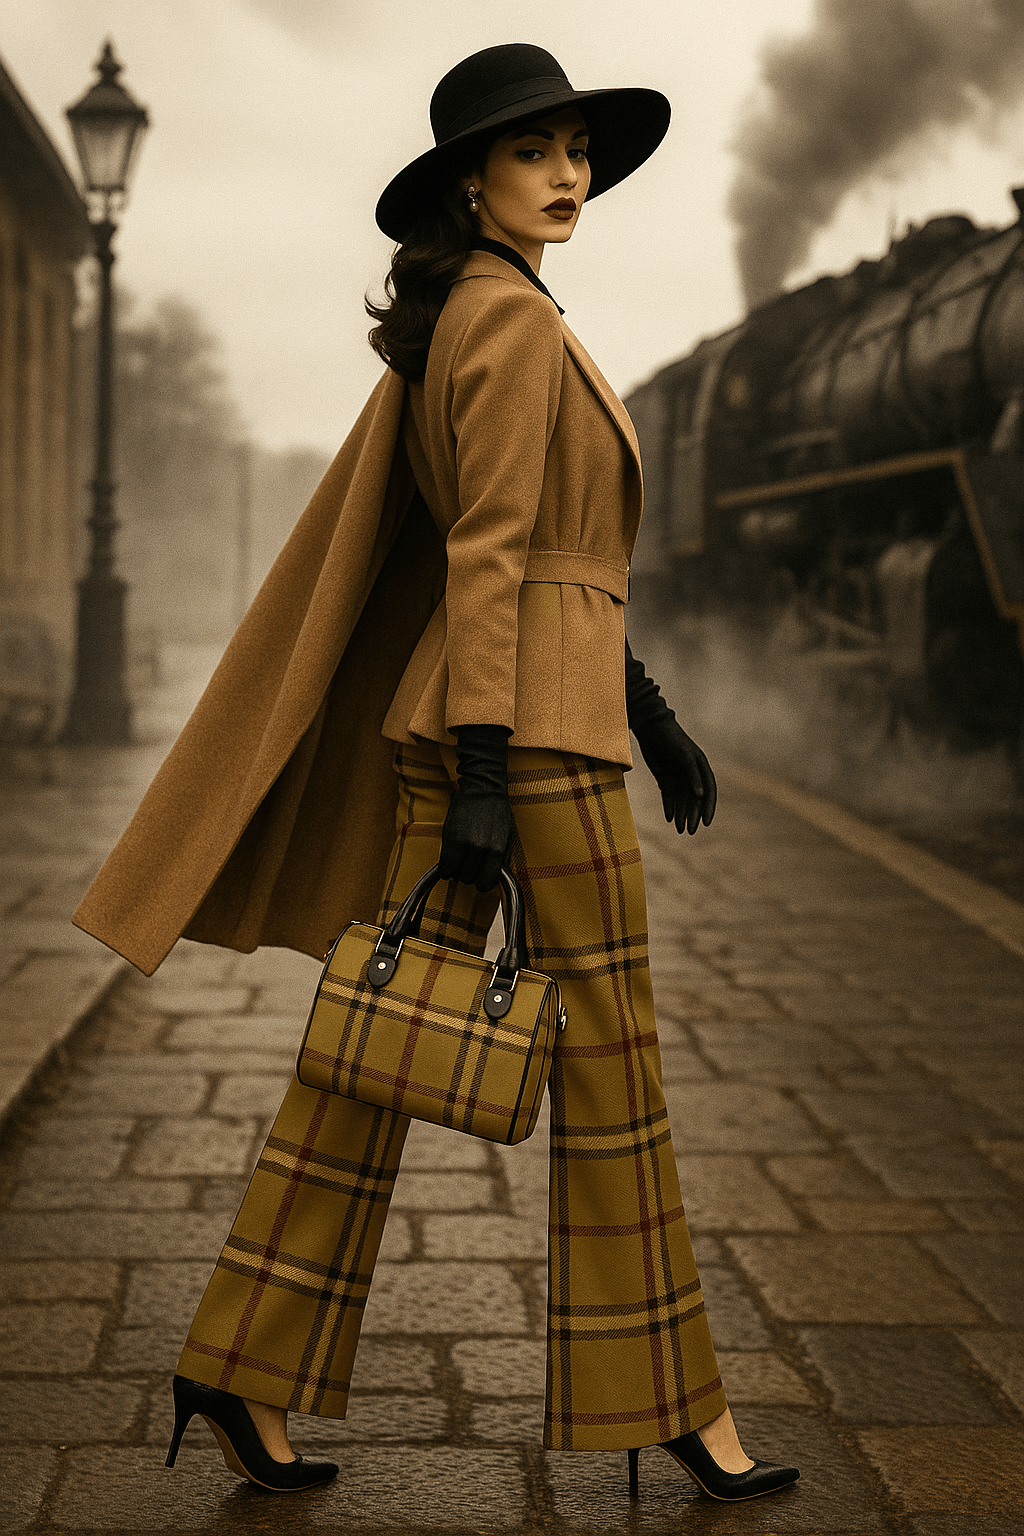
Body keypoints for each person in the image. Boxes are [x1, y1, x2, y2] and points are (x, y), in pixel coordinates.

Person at [74, 43, 800, 1506]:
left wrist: (646, 710)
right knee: (613, 1066)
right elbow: (494, 561)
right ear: (471, 182)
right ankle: (675, 1407)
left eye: (577, 151)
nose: (568, 175)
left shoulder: (467, 315)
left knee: (375, 1046)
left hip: (498, 727)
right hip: (529, 746)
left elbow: (538, 565)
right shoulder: (513, 324)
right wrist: (491, 775)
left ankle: (242, 1360)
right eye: (535, 152)